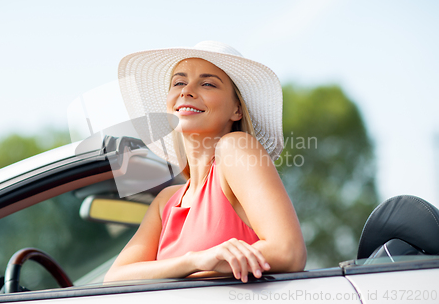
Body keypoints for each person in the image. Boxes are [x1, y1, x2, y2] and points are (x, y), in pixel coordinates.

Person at [104, 41, 306, 283]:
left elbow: (289, 252)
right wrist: (195, 260)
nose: (186, 91)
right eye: (179, 82)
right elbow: (115, 278)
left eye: (208, 83)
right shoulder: (166, 202)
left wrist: (208, 263)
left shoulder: (236, 147)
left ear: (237, 110)